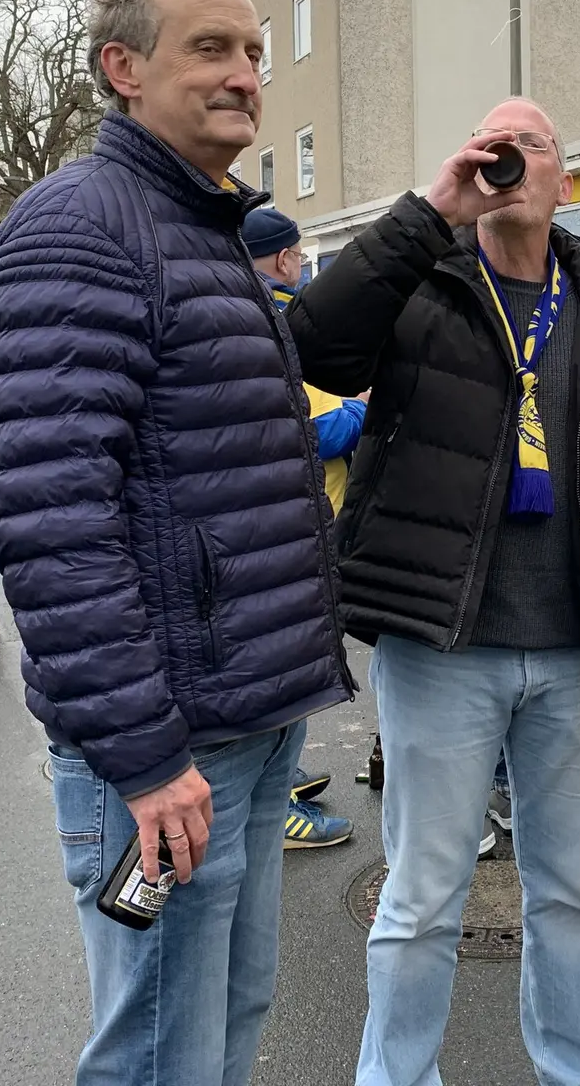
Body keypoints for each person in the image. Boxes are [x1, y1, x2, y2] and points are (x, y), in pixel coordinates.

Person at [0, 0, 353, 1086]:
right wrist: (143, 756)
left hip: (243, 717)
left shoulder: (207, 226)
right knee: (156, 1053)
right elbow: (50, 517)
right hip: (167, 743)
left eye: (251, 48)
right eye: (210, 47)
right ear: (122, 68)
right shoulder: (81, 223)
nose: (246, 70)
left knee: (222, 1024)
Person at [286, 96, 580, 1086]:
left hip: (579, 656)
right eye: (493, 144)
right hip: (443, 647)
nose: (510, 162)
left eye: (532, 148)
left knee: (568, 893)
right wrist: (432, 208)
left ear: (568, 182)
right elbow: (311, 344)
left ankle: (579, 1072)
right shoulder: (420, 285)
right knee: (423, 894)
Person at [244, 205, 358, 851]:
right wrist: (361, 411)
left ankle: (281, 773)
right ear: (287, 258)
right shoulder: (276, 320)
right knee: (286, 661)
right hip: (291, 526)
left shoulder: (263, 311)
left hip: (288, 521)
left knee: (292, 658)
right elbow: (306, 432)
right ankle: (278, 798)